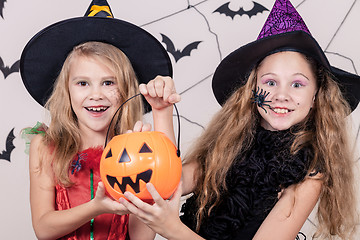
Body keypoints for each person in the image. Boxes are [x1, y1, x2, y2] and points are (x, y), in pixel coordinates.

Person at [119, 0, 360, 239]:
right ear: (252, 90)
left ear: (316, 97)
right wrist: (163, 111)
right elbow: (170, 182)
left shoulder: (310, 172)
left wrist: (171, 228)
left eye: (297, 84)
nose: (281, 95)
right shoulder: (229, 143)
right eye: (270, 82)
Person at [20, 1, 180, 239]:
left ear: (126, 90)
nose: (96, 94)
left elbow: (142, 237)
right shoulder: (45, 146)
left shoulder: (134, 149)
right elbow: (43, 229)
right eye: (83, 83)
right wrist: (97, 206)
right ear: (67, 91)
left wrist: (162, 111)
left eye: (109, 82)